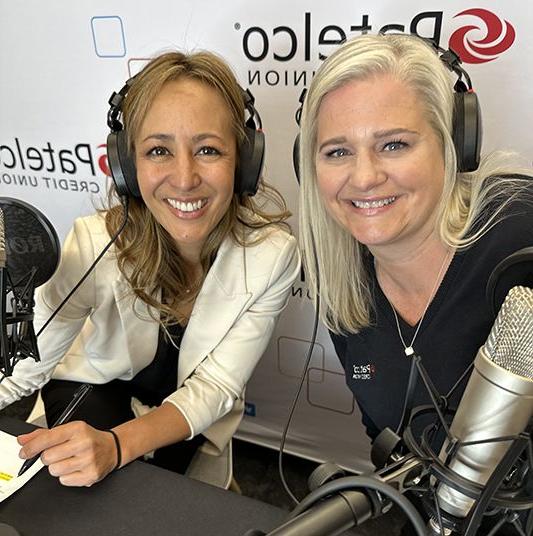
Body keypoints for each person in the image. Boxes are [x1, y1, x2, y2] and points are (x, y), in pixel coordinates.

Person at [0, 50, 300, 487]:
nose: (184, 178)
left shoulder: (272, 256)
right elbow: (29, 362)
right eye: (158, 150)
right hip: (97, 387)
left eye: (208, 150)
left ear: (244, 160)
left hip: (187, 408)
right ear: (126, 164)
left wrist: (118, 447)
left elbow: (214, 386)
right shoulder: (93, 243)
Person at [297, 33, 533, 533]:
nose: (363, 177)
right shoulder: (344, 287)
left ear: (454, 144)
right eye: (337, 151)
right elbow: (388, 444)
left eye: (394, 144)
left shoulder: (519, 235)